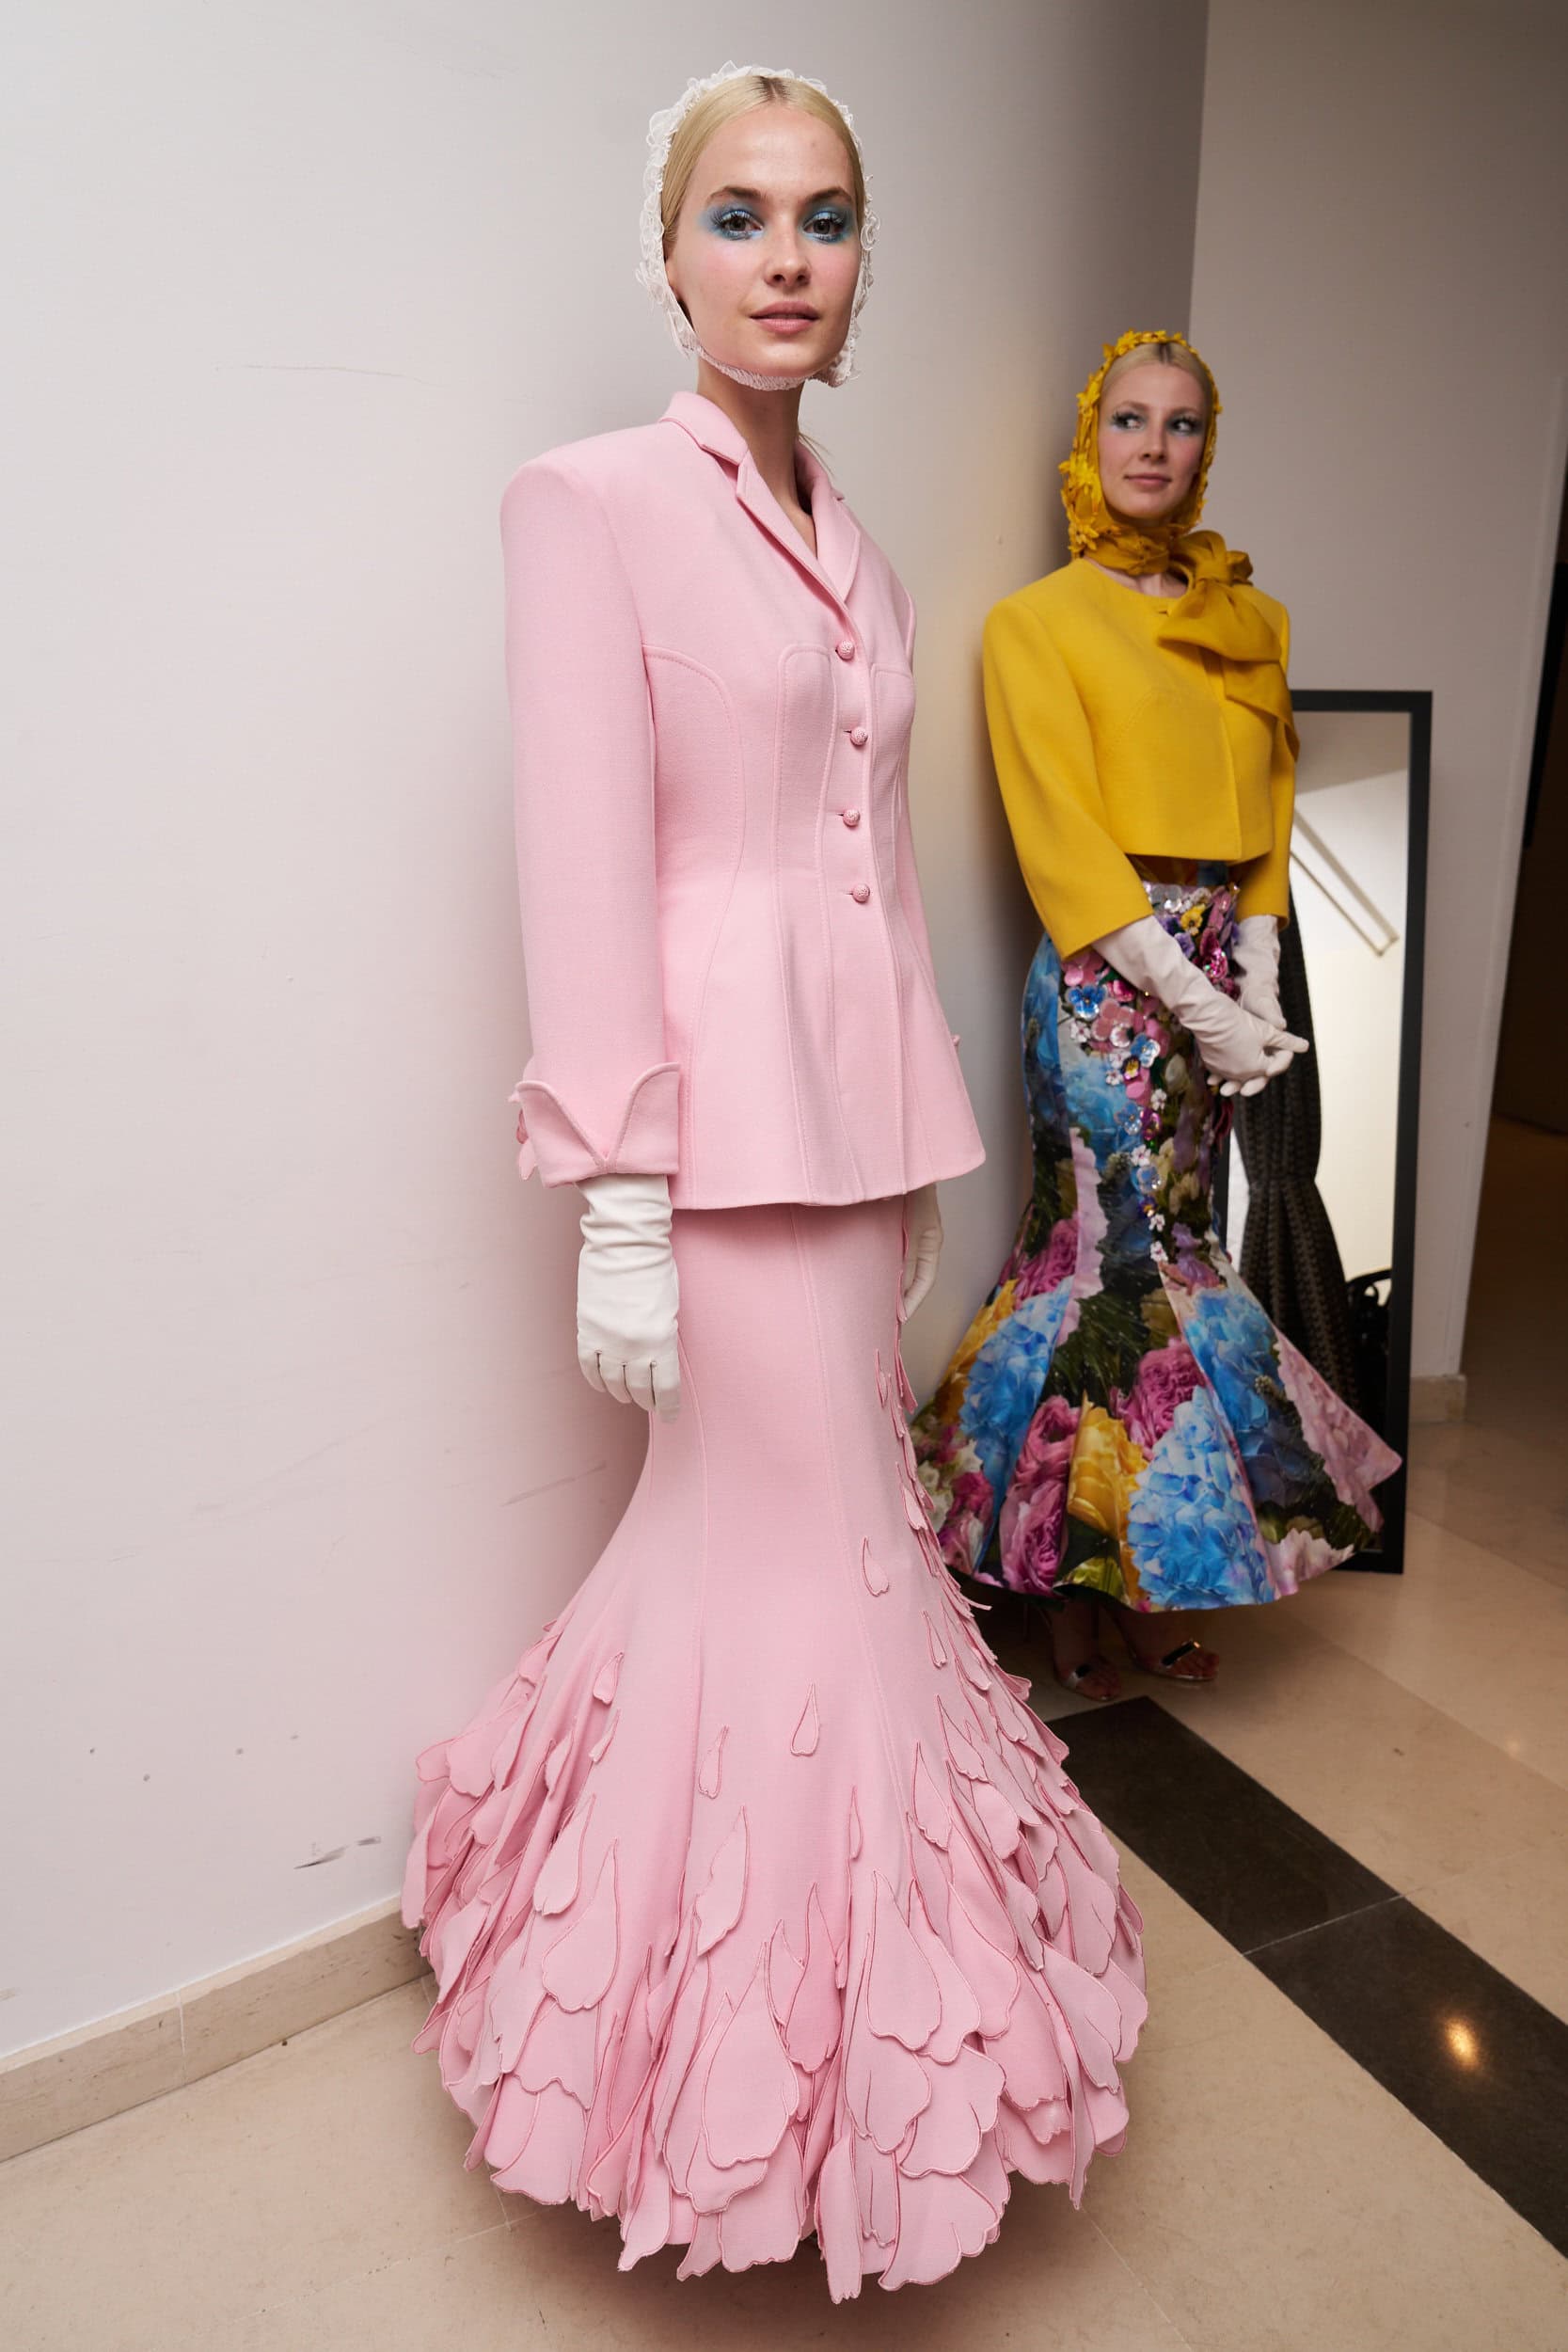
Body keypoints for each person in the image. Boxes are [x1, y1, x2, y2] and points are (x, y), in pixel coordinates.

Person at [401, 70, 1146, 2296]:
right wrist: (620, 1189)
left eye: (823, 216)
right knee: (804, 1569)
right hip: (703, 1151)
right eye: (738, 216)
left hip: (841, 1144)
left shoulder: (865, 551)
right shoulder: (590, 502)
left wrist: (913, 1153)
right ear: (670, 254)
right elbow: (583, 861)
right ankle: (759, 2075)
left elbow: (877, 875)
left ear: (862, 257)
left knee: (796, 1558)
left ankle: (764, 2037)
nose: (786, 256)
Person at [913, 329, 1400, 1703]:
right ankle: (1066, 1587)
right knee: (1099, 1270)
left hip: (1216, 971)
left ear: (1206, 448)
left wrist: (1256, 985)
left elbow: (1270, 817)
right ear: (1092, 436)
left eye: (1182, 424)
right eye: (1129, 418)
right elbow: (1063, 844)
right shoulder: (1036, 623)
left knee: (1179, 1259)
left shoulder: (1253, 620)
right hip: (1103, 986)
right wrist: (1193, 997)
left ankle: (1133, 1577)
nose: (1153, 445)